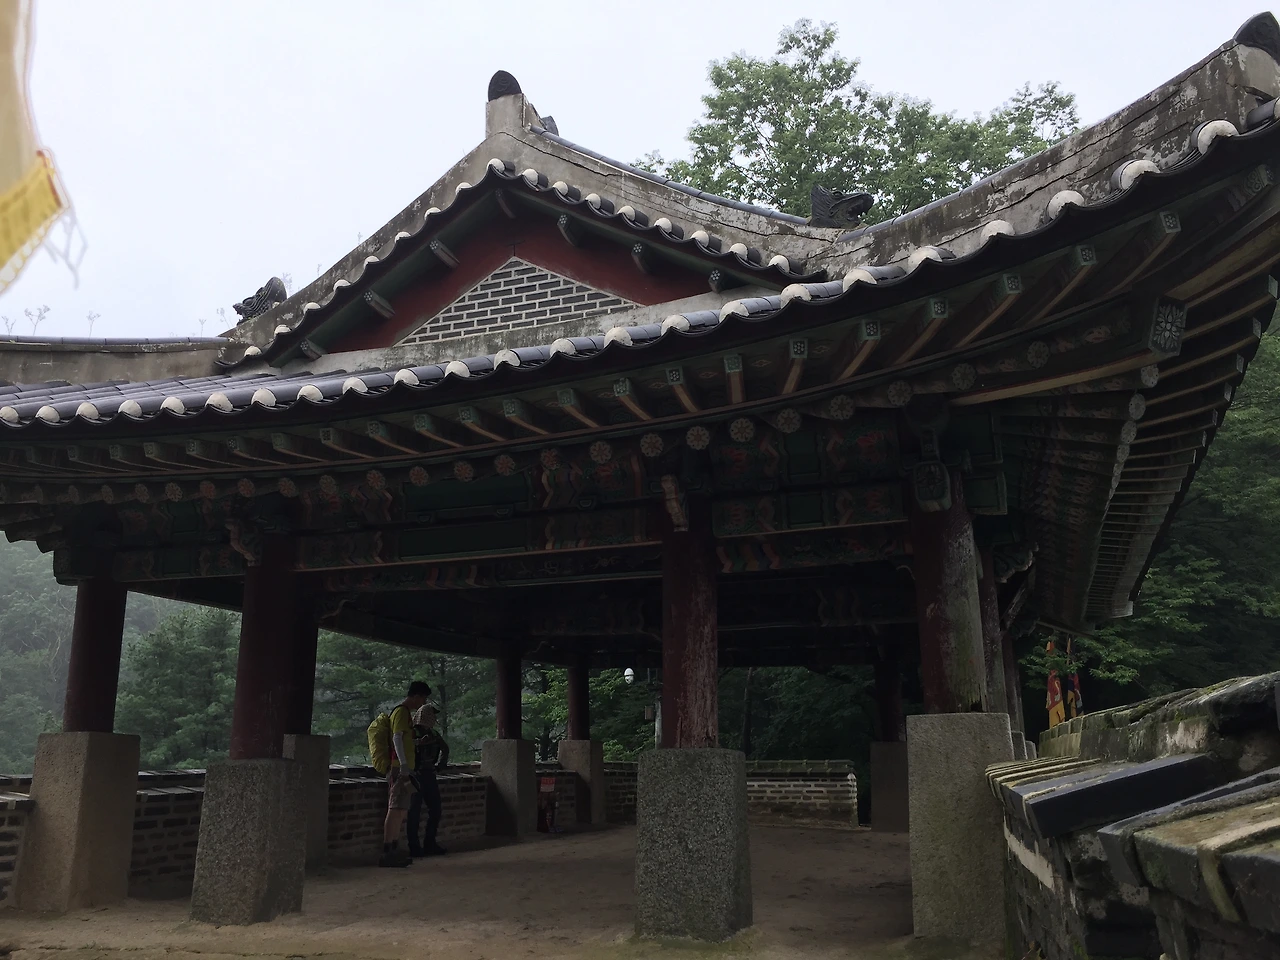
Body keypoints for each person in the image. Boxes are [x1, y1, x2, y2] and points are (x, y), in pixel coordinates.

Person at [380, 680, 431, 867]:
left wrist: (417, 743)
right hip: (399, 768)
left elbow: (404, 740)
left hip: (404, 767)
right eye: (423, 698)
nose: (423, 703)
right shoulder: (401, 712)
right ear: (416, 696)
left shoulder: (404, 714)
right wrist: (403, 765)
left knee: (401, 810)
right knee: (395, 810)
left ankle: (394, 849)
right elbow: (397, 738)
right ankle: (387, 851)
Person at [406, 703, 450, 858]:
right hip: (416, 774)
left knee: (435, 809)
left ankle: (430, 843)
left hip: (429, 774)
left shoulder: (434, 734)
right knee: (414, 811)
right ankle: (414, 846)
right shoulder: (413, 732)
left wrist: (440, 766)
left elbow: (445, 749)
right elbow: (405, 747)